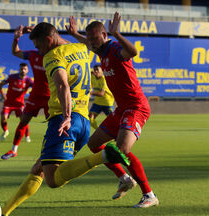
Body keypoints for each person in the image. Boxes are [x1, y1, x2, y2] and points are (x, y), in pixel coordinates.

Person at [1, 22, 129, 216]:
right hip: (83, 121)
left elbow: (62, 86)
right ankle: (4, 211)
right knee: (39, 168)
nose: (39, 51)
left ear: (48, 40)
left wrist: (67, 116)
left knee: (52, 179)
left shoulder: (52, 56)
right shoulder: (80, 47)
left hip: (63, 120)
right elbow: (64, 42)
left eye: (38, 46)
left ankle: (104, 156)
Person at [66, 12, 159, 207]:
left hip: (136, 108)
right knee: (94, 144)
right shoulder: (101, 51)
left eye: (94, 37)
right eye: (89, 38)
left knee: (122, 149)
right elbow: (88, 41)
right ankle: (125, 178)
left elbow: (132, 52)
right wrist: (75, 34)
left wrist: (117, 34)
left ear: (104, 35)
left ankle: (149, 194)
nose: (90, 41)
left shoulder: (115, 48)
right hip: (121, 110)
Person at [0, 25, 51, 160]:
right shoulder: (33, 55)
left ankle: (54, 152)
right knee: (23, 121)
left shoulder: (54, 54)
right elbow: (15, 52)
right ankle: (13, 150)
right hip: (35, 95)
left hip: (51, 97)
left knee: (54, 125)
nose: (35, 45)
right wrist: (16, 39)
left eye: (37, 42)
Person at [0, 63, 33, 156]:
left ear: (27, 70)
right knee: (3, 119)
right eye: (21, 69)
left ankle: (27, 136)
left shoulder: (29, 80)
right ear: (19, 69)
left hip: (19, 104)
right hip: (8, 103)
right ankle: (5, 131)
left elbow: (35, 87)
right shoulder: (12, 77)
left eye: (25, 69)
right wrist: (2, 94)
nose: (23, 70)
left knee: (24, 121)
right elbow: (0, 84)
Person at [89, 64, 115, 129]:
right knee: (90, 118)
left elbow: (101, 93)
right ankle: (98, 131)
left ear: (102, 71)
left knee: (113, 121)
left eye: (97, 70)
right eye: (95, 70)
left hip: (107, 103)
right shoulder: (92, 77)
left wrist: (90, 93)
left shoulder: (104, 79)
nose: (96, 71)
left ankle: (117, 135)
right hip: (97, 102)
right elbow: (89, 88)